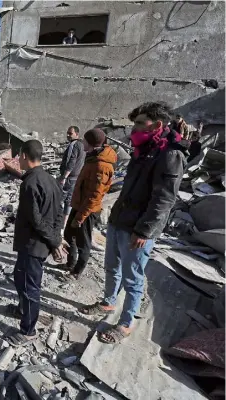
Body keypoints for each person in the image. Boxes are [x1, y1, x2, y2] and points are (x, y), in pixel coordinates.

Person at [81, 102, 185, 344]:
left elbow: (164, 199)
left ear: (157, 125)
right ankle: (108, 303)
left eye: (140, 123)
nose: (134, 129)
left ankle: (125, 323)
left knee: (132, 277)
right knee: (111, 267)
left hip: (138, 229)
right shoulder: (144, 149)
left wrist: (145, 231)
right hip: (120, 221)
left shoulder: (170, 154)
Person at [6, 140, 67, 346]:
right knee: (19, 277)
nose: (17, 161)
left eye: (18, 157)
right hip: (40, 243)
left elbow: (35, 220)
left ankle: (28, 330)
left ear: (24, 155)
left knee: (30, 286)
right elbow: (60, 212)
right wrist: (55, 236)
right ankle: (23, 310)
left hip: (33, 244)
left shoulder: (29, 183)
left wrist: (55, 240)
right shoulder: (50, 179)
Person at [63, 128, 117, 281]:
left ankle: (76, 272)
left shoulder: (102, 166)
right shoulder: (93, 157)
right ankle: (70, 263)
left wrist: (80, 217)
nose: (82, 143)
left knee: (83, 242)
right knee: (68, 234)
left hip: (88, 210)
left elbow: (94, 196)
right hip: (79, 205)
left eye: (85, 141)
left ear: (91, 143)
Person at [59, 126, 85, 220]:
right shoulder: (83, 145)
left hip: (69, 178)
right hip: (76, 177)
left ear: (77, 134)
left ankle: (56, 221)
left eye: (70, 133)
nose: (68, 135)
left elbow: (71, 161)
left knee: (60, 199)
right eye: (67, 133)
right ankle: (64, 224)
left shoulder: (73, 144)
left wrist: (64, 177)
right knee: (69, 201)